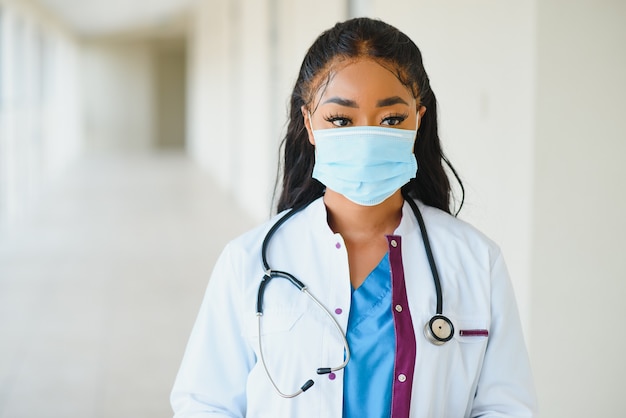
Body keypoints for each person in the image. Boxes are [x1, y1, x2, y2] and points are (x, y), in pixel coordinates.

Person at [171, 17, 537, 417]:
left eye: (392, 120)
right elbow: (204, 403)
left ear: (419, 118)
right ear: (309, 123)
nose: (366, 138)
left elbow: (507, 407)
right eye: (340, 120)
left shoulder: (475, 261)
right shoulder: (248, 261)